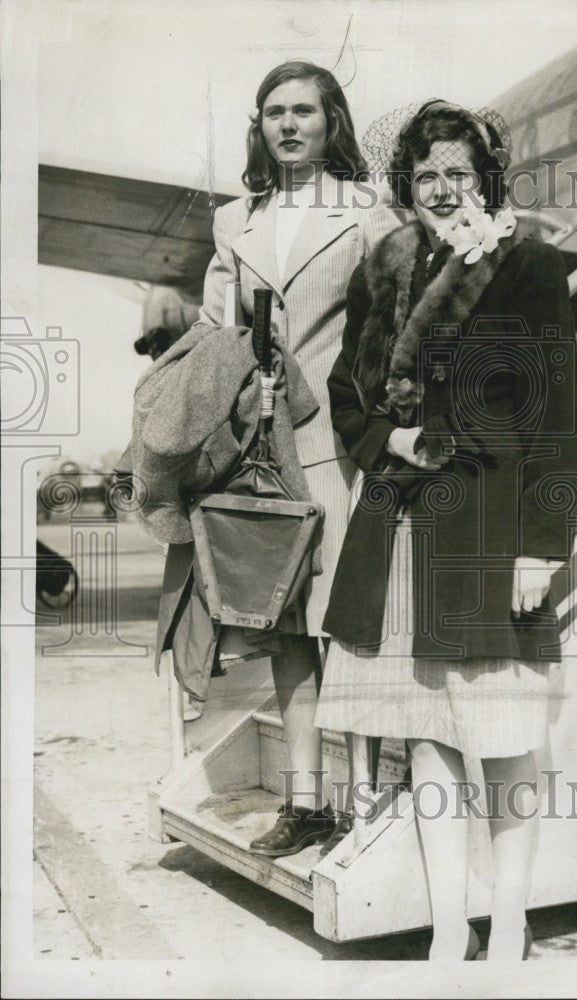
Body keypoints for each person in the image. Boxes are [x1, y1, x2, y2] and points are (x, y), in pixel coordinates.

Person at [315, 100, 577, 959]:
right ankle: (445, 926)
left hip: (487, 526)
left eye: (456, 173)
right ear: (408, 184)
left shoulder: (528, 266)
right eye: (424, 174)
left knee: (502, 742)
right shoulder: (385, 266)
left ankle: (507, 920)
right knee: (426, 737)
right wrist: (387, 436)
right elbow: (345, 390)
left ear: (486, 180)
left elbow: (556, 417)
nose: (439, 188)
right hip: (396, 527)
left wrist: (542, 545)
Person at [161, 59, 399, 855]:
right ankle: (307, 802)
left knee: (352, 625)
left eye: (303, 110)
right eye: (273, 113)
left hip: (345, 442)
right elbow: (216, 333)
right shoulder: (236, 221)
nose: (289, 124)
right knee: (290, 626)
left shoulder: (372, 214)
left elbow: (400, 326)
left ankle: (366, 800)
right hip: (264, 450)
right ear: (259, 127)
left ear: (332, 119)